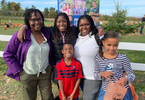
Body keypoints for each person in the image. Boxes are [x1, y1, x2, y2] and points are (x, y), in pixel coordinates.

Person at [17, 12, 104, 100]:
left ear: (68, 22)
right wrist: (24, 26)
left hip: (73, 67)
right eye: (59, 21)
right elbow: (37, 25)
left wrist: (100, 27)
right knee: (63, 90)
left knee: (74, 89)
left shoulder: (74, 30)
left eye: (64, 21)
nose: (61, 24)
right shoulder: (51, 31)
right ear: (55, 22)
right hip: (59, 68)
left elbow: (88, 27)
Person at [3, 9, 54, 100]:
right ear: (28, 21)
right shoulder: (21, 35)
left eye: (39, 19)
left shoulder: (47, 34)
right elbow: (7, 54)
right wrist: (19, 71)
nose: (37, 22)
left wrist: (50, 66)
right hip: (27, 73)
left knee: (48, 97)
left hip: (45, 73)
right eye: (33, 20)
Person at [94, 31, 135, 100]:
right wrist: (102, 74)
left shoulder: (123, 58)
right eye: (109, 45)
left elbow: (131, 75)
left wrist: (126, 79)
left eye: (115, 45)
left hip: (121, 92)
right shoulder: (98, 58)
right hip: (106, 91)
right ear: (103, 42)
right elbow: (96, 75)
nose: (112, 48)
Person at [73, 15, 102, 100]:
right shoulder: (77, 38)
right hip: (79, 77)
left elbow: (110, 52)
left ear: (91, 25)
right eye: (81, 25)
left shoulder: (97, 37)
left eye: (87, 24)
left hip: (93, 77)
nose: (84, 27)